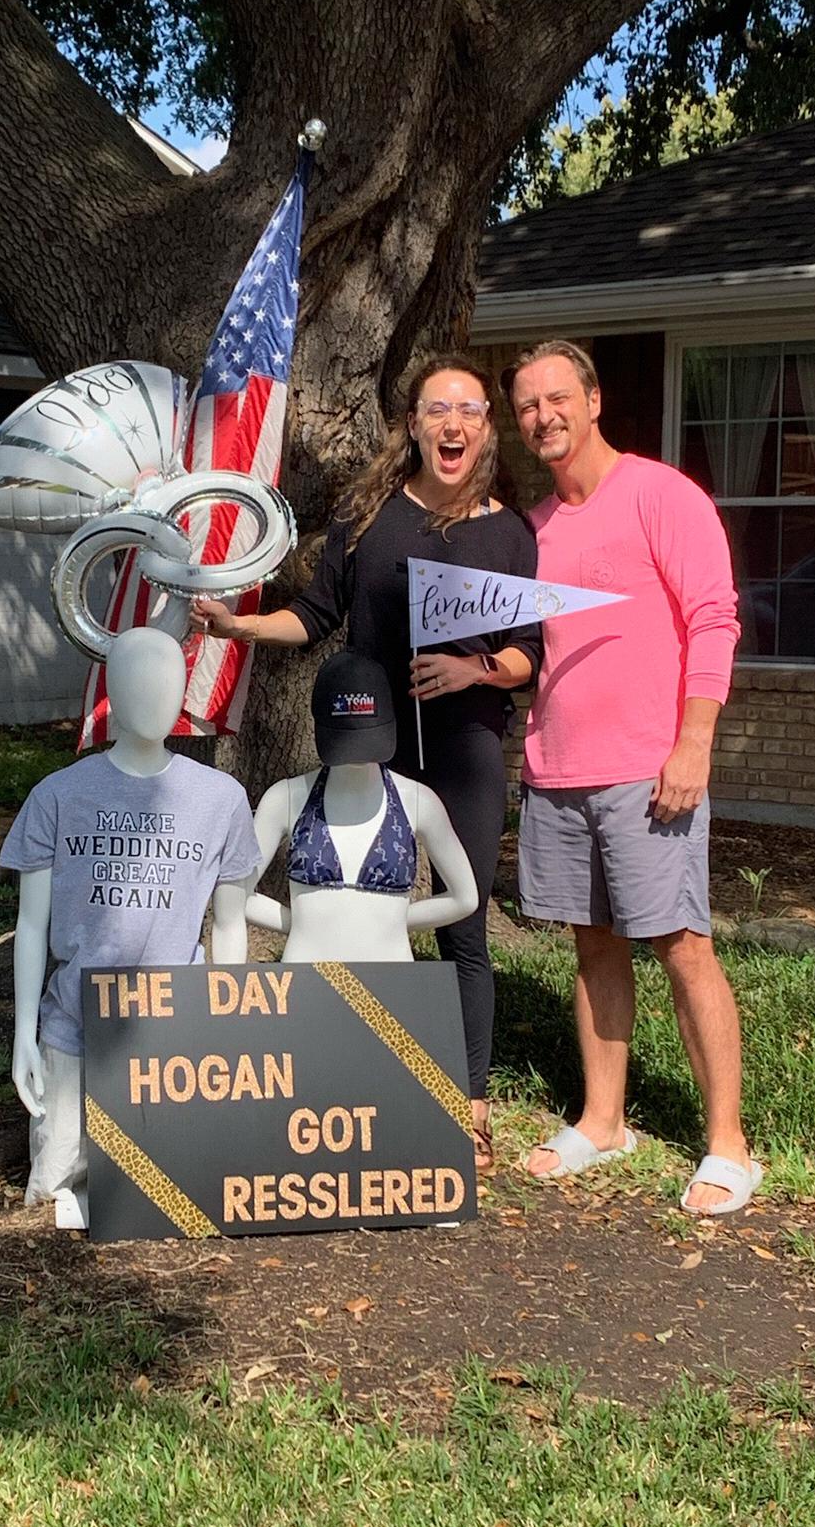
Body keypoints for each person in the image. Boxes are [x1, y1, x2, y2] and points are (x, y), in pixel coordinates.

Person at [193, 353, 540, 1174]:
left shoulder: (510, 531)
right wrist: (240, 629)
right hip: (368, 747)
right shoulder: (368, 517)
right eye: (436, 409)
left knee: (464, 929)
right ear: (412, 425)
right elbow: (314, 616)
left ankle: (468, 1105)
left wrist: (473, 670)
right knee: (340, 910)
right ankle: (344, 1087)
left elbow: (529, 652)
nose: (453, 423)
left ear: (486, 428)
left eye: (470, 409)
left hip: (463, 746)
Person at [506, 339, 759, 1216]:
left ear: (595, 399)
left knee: (683, 945)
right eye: (529, 404)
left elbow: (714, 619)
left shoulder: (661, 495)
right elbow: (533, 654)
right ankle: (604, 1121)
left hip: (650, 770)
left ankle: (730, 1144)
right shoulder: (533, 531)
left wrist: (694, 744)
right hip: (558, 771)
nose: (544, 415)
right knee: (591, 944)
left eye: (558, 397)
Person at [0, 626, 261, 1229]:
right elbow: (31, 925)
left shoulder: (220, 798)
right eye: (138, 679)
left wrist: (230, 1019)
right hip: (76, 1026)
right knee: (56, 1190)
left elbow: (229, 925)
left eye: (169, 680)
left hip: (175, 1028)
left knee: (175, 1187)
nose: (156, 696)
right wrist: (25, 1033)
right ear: (111, 689)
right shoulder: (58, 796)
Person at [246, 649, 479, 966]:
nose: (357, 754)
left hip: (389, 985)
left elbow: (466, 898)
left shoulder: (419, 801)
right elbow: (235, 894)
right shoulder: (285, 798)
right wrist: (300, 924)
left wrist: (395, 921)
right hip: (305, 982)